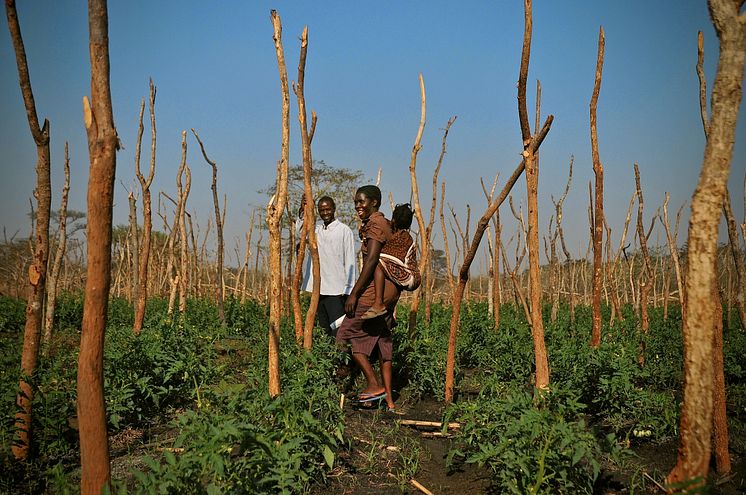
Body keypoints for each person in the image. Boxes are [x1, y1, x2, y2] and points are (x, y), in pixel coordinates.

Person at [336, 185, 400, 412]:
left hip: (374, 294)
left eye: (362, 202)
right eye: (356, 202)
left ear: (374, 202)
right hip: (385, 296)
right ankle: (388, 402)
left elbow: (372, 260)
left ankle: (374, 385)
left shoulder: (376, 225)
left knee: (344, 335)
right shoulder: (382, 224)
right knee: (380, 344)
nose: (358, 206)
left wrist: (354, 294)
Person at [300, 196, 358, 337]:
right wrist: (303, 211)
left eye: (328, 209)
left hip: (337, 292)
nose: (325, 213)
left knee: (338, 331)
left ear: (333, 209)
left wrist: (350, 293)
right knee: (323, 330)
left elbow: (350, 262)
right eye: (321, 210)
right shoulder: (316, 231)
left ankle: (343, 359)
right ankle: (327, 359)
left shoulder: (344, 231)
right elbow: (301, 233)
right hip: (318, 291)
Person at [360, 203, 420, 320]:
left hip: (409, 277)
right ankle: (390, 313)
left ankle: (378, 304)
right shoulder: (408, 237)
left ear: (393, 220)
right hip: (413, 277)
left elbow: (388, 256)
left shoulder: (399, 238)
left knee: (377, 262)